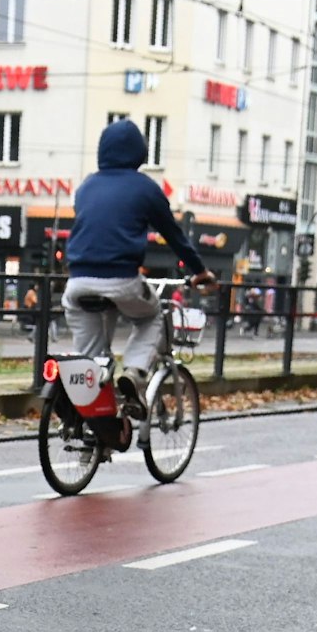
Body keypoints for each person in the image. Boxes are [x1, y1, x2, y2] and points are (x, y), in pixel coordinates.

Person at [61, 118, 216, 414]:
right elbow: (175, 237)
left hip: (77, 282)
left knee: (91, 363)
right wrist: (200, 271)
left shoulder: (86, 188)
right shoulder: (146, 189)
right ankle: (134, 373)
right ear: (140, 153)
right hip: (121, 280)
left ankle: (88, 431)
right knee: (152, 317)